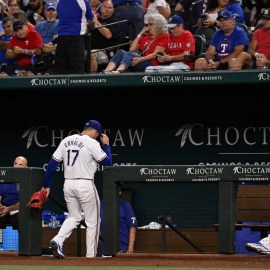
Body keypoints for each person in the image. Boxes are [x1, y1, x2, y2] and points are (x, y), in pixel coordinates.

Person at [40, 120, 112, 259]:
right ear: (95, 132)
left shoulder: (66, 140)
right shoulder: (92, 143)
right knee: (93, 222)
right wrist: (107, 145)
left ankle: (58, 239)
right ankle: (90, 257)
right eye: (97, 134)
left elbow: (52, 164)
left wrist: (46, 185)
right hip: (85, 184)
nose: (97, 136)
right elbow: (108, 163)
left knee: (74, 217)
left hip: (68, 185)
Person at [101, 13, 169, 73]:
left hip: (151, 62)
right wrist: (140, 34)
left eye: (150, 24)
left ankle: (118, 72)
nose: (148, 26)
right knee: (120, 52)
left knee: (130, 55)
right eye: (147, 24)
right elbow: (132, 49)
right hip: (139, 60)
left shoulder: (163, 36)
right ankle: (107, 72)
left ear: (158, 25)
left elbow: (155, 54)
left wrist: (139, 60)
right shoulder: (145, 36)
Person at [53, 0, 96, 75]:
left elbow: (58, 15)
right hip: (76, 38)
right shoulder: (82, 1)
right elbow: (92, 18)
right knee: (76, 70)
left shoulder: (58, 1)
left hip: (61, 38)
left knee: (60, 69)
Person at [100, 184, 137, 254]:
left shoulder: (125, 205)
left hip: (122, 248)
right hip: (105, 248)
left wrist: (130, 248)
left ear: (119, 192)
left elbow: (132, 226)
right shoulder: (101, 204)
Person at [88, 0, 122, 73]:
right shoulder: (97, 19)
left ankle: (92, 80)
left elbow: (108, 35)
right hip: (89, 49)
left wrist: (96, 22)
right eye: (105, 7)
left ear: (113, 10)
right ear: (101, 8)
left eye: (109, 7)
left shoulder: (115, 21)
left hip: (106, 52)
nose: (106, 9)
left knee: (92, 54)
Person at [0, 156, 28, 229]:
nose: (17, 166)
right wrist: (1, 207)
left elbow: (23, 202)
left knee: (19, 218)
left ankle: (22, 240)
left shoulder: (28, 182)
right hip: (4, 210)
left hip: (18, 211)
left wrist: (8, 209)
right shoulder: (5, 180)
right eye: (16, 164)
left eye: (20, 165)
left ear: (26, 168)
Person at [34, 2, 58, 74]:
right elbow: (34, 40)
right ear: (44, 12)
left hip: (53, 54)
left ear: (56, 12)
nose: (51, 13)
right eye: (48, 10)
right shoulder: (39, 24)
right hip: (39, 54)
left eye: (53, 10)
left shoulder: (59, 24)